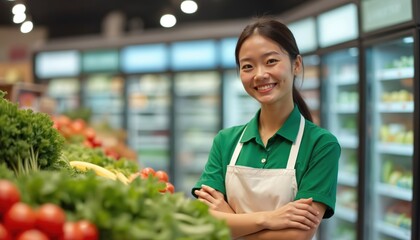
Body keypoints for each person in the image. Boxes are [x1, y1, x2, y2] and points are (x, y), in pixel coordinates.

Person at [192, 16, 341, 240]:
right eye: (248, 66)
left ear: (296, 64)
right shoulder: (225, 141)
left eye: (271, 61)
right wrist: (269, 219)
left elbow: (297, 235)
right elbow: (203, 217)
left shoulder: (321, 145)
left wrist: (229, 222)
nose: (260, 74)